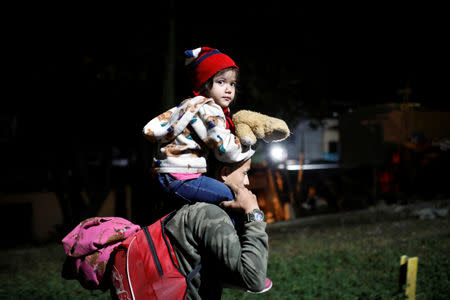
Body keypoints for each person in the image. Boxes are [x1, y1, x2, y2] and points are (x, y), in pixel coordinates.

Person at [142, 46, 254, 208]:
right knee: (230, 194)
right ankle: (230, 230)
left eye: (233, 83)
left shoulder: (190, 105)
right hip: (181, 176)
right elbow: (225, 150)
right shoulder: (208, 109)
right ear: (205, 84)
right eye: (221, 82)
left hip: (169, 174)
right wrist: (247, 146)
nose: (229, 89)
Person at [162, 158, 271, 299]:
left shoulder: (188, 205)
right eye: (244, 173)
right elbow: (255, 281)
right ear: (224, 173)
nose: (247, 182)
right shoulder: (210, 214)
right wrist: (253, 212)